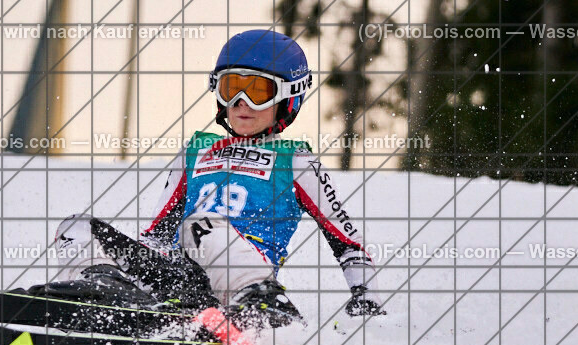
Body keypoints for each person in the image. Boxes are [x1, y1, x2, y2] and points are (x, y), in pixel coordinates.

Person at [38, 29, 384, 328]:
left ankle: (265, 309)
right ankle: (106, 299)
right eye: (231, 87)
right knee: (77, 228)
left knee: (200, 224)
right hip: (180, 278)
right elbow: (157, 233)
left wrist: (364, 296)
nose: (241, 102)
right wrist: (129, 267)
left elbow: (347, 242)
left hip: (239, 283)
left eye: (257, 91)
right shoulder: (196, 152)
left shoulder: (296, 161)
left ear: (288, 96)